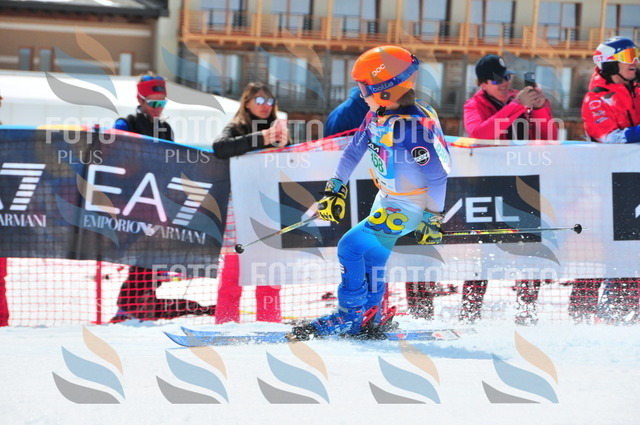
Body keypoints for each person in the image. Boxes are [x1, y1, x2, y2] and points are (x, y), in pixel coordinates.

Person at [289, 45, 451, 340]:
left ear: (386, 91)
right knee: (372, 257)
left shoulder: (410, 127)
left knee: (349, 247)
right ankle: (369, 315)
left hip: (408, 207)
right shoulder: (378, 114)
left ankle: (348, 314)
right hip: (387, 199)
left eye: (364, 88)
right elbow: (353, 150)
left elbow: (438, 174)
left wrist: (433, 217)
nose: (360, 94)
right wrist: (335, 188)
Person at [111, 72, 215, 322]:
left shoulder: (165, 128)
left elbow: (171, 163)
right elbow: (113, 155)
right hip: (133, 201)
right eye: (153, 103)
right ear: (140, 100)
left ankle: (139, 303)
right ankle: (126, 306)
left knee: (157, 255)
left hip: (159, 200)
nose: (158, 108)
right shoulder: (126, 124)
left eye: (162, 102)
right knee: (142, 253)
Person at [462, 54, 558, 324]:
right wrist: (516, 107)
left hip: (525, 186)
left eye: (507, 77)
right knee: (485, 255)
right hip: (488, 188)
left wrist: (540, 107)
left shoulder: (521, 99)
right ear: (482, 84)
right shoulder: (474, 104)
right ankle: (469, 315)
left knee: (532, 251)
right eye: (497, 80)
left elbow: (548, 137)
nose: (505, 83)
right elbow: (479, 134)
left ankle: (526, 313)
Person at [212, 82, 289, 323]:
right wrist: (261, 138)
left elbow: (293, 164)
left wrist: (286, 145)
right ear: (246, 103)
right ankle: (225, 324)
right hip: (240, 207)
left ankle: (269, 324)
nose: (266, 106)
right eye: (260, 100)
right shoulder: (236, 127)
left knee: (269, 276)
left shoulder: (277, 129)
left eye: (270, 101)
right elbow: (220, 148)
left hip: (270, 208)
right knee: (233, 273)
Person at [579, 36, 640, 324]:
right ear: (610, 63)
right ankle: (609, 311)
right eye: (628, 56)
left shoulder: (636, 90)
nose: (634, 61)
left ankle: (631, 309)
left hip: (635, 181)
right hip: (611, 188)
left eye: (636, 54)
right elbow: (610, 138)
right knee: (619, 247)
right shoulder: (596, 98)